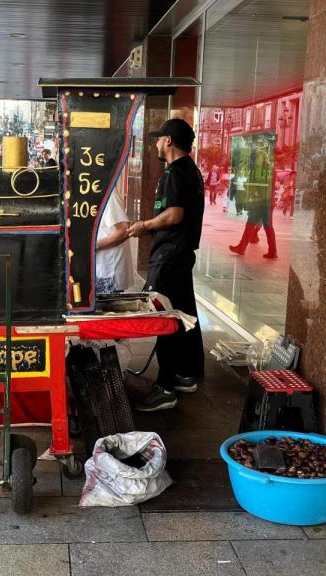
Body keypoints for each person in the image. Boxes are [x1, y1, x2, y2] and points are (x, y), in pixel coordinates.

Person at [127, 118, 205, 412]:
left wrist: (144, 225)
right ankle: (183, 375)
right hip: (181, 256)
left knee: (165, 318)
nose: (156, 144)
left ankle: (165, 387)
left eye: (159, 139)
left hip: (170, 257)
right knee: (181, 316)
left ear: (169, 141)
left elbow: (173, 216)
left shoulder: (175, 172)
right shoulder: (191, 171)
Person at [95, 192, 135, 293]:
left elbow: (124, 231)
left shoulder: (108, 196)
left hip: (109, 272)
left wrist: (93, 246)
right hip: (99, 269)